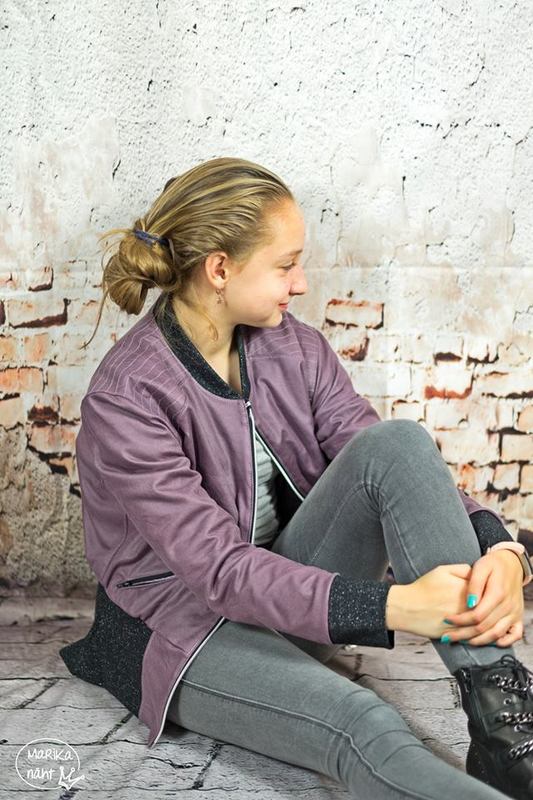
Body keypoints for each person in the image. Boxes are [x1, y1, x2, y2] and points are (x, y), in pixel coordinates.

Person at [60, 156, 533, 800]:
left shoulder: (296, 348)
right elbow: (221, 573)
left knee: (396, 442)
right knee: (363, 722)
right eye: (285, 265)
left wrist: (500, 550)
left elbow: (394, 469)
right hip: (182, 633)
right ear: (219, 269)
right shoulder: (127, 397)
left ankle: (508, 732)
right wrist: (395, 607)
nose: (301, 282)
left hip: (288, 600)